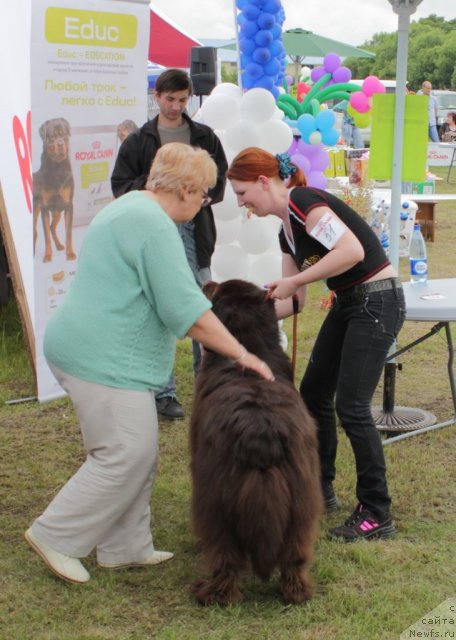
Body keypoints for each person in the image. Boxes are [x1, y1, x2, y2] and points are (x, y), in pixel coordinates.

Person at [24, 143, 273, 585]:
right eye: (204, 196)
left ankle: (125, 547)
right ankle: (57, 535)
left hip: (97, 350)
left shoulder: (130, 209)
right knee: (124, 453)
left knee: (137, 450)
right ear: (187, 189)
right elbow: (185, 309)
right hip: (100, 357)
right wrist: (243, 354)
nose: (204, 205)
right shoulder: (150, 225)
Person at [227, 147, 406, 543]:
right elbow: (294, 302)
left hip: (376, 300)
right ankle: (320, 489)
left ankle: (376, 510)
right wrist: (235, 324)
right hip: (349, 303)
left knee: (352, 406)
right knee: (313, 394)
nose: (241, 204)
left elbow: (352, 252)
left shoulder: (303, 202)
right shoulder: (284, 232)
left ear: (262, 181)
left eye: (241, 193)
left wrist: (296, 282)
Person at [111, 68, 228, 420]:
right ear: (157, 97)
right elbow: (120, 185)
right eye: (170, 99)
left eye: (182, 100)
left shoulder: (204, 136)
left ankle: (208, 383)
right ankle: (163, 393)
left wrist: (203, 197)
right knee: (158, 305)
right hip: (155, 228)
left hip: (196, 231)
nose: (176, 106)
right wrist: (156, 190)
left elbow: (219, 177)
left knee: (200, 300)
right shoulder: (139, 140)